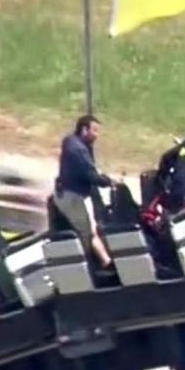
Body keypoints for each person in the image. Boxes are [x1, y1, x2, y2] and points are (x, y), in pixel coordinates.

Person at [53, 114, 114, 271]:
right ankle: (87, 268)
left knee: (91, 230)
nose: (97, 135)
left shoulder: (76, 144)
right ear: (84, 129)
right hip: (72, 196)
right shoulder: (77, 148)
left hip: (77, 194)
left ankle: (105, 262)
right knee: (86, 233)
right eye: (94, 130)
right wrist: (108, 181)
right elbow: (90, 174)